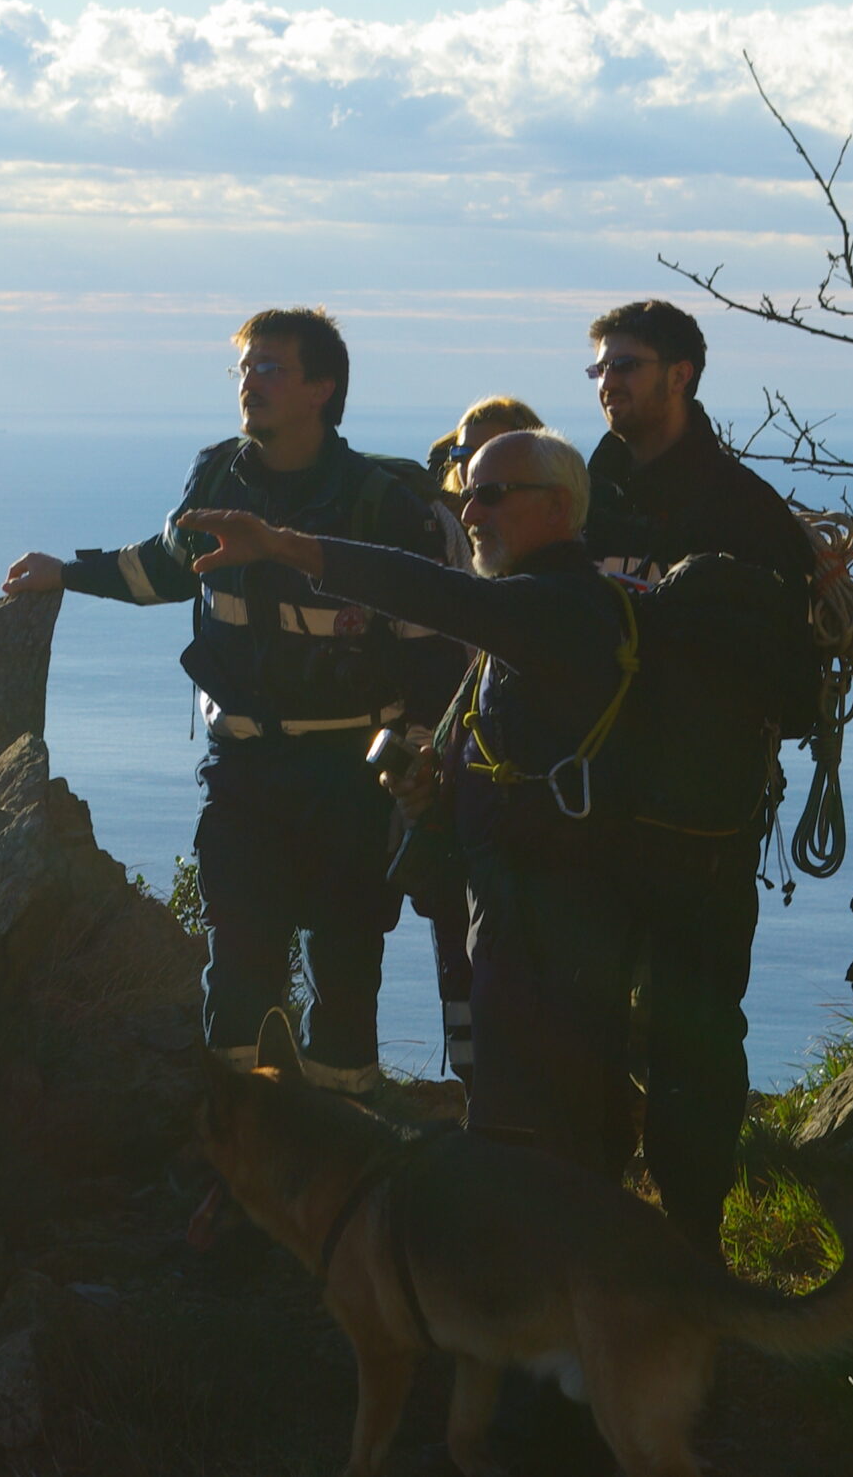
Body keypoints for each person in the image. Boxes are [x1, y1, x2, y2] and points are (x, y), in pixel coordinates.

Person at [578, 296, 853, 1254]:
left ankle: (693, 1241)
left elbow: (834, 598)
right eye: (600, 369)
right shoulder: (595, 490)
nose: (608, 383)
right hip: (596, 806)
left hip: (703, 817)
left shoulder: (740, 506)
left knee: (694, 1036)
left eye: (625, 365)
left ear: (680, 375)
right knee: (578, 1017)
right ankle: (588, 1225)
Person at [2, 307, 461, 1096]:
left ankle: (343, 1127)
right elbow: (166, 567)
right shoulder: (220, 475)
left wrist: (418, 753)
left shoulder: (379, 505)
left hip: (352, 774)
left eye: (271, 367)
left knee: (345, 954)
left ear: (323, 388)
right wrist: (67, 572)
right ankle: (232, 1147)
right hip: (243, 765)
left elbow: (434, 650)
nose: (251, 382)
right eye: (245, 368)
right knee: (240, 948)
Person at [179, 428, 633, 1175]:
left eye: (490, 495)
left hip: (551, 899)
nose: (470, 513)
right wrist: (438, 777)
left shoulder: (557, 607)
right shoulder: (533, 608)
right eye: (467, 493)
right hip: (514, 890)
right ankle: (534, 1232)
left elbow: (429, 591)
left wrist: (286, 546)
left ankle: (562, 1253)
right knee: (518, 1087)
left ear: (558, 506)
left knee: (545, 1095)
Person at [407, 393, 546, 1087]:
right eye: (465, 460)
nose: (472, 479)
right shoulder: (429, 541)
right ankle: (475, 1094)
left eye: (494, 470)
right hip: (453, 782)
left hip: (534, 793)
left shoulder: (554, 568)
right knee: (454, 948)